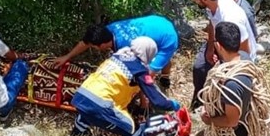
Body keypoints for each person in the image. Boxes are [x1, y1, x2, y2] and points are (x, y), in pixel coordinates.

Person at [70, 36, 182, 136]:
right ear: (148, 53)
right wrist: (173, 105)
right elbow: (157, 100)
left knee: (86, 115)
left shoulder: (117, 55)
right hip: (101, 104)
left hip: (81, 96)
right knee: (131, 129)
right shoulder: (139, 70)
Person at [198, 21, 270, 136]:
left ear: (218, 45)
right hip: (245, 118)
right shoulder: (244, 57)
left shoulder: (231, 84)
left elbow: (231, 121)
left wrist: (209, 119)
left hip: (234, 128)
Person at [49, 15, 180, 88]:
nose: (94, 49)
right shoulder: (108, 30)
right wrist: (67, 57)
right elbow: (86, 42)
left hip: (167, 38)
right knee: (160, 61)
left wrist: (142, 104)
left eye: (95, 47)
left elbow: (145, 74)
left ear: (104, 44)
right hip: (156, 21)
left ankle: (165, 77)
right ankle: (164, 74)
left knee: (154, 66)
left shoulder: (126, 47)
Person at [188, 0, 256, 110]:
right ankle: (199, 100)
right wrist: (210, 48)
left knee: (225, 81)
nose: (193, 0)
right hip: (220, 43)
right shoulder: (213, 3)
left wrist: (227, 66)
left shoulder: (232, 18)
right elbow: (212, 24)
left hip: (236, 52)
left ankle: (222, 107)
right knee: (199, 67)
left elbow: (244, 47)